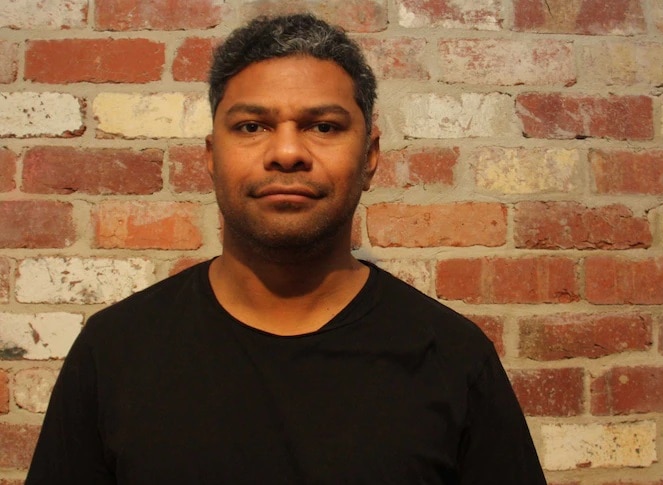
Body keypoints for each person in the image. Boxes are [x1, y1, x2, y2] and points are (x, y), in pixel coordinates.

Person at [26, 13, 546, 485]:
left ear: (370, 157)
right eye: (252, 126)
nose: (288, 152)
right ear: (211, 156)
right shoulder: (114, 351)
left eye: (324, 126)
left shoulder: (453, 359)